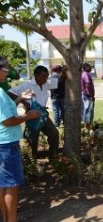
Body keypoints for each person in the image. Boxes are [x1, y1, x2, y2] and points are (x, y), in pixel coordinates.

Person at [0, 56, 41, 222]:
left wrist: (19, 98)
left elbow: (5, 110)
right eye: (6, 69)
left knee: (2, 184)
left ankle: (5, 218)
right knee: (11, 186)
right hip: (6, 145)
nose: (8, 72)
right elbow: (8, 120)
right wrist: (28, 116)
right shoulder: (0, 93)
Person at [9, 65, 59, 159]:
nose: (46, 78)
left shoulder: (45, 83)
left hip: (43, 115)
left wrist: (64, 73)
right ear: (36, 75)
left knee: (54, 134)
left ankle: (53, 158)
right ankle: (32, 161)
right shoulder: (26, 85)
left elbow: (58, 82)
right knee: (32, 139)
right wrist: (24, 101)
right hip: (32, 115)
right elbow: (10, 93)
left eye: (47, 76)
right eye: (44, 76)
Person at [81, 62, 95, 132]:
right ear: (86, 67)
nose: (91, 68)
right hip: (88, 95)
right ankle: (87, 128)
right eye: (89, 67)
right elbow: (88, 85)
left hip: (85, 95)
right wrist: (91, 95)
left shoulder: (84, 74)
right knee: (89, 111)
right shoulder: (86, 75)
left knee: (86, 111)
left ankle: (86, 127)